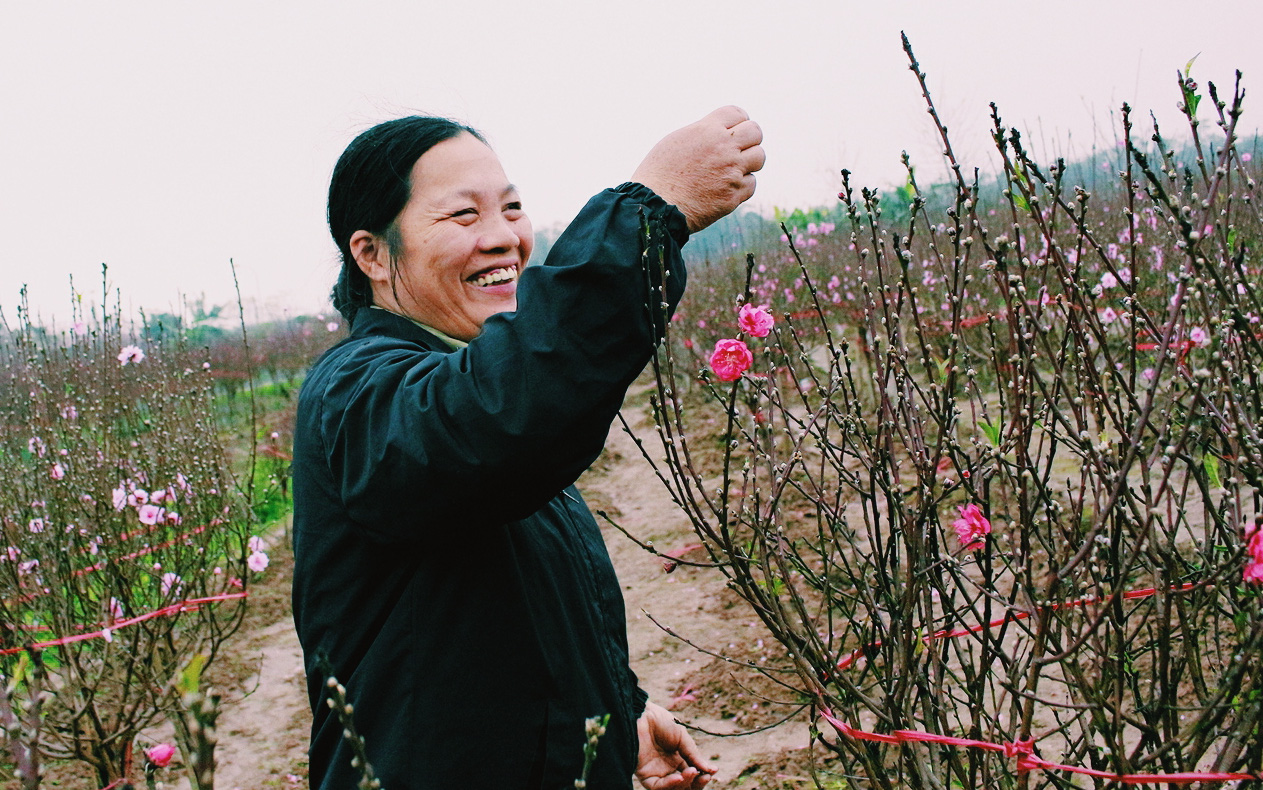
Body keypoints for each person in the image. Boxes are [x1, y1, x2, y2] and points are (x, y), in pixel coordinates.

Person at [292, 106, 764, 789]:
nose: (503, 238)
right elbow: (499, 420)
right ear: (371, 254)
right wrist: (647, 212)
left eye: (511, 208)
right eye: (462, 216)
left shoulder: (463, 375)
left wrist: (617, 714)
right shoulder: (359, 393)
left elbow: (516, 613)